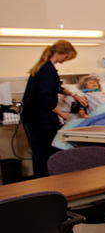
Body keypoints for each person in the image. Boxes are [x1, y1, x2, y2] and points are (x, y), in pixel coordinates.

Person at [21, 40, 87, 177]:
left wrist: (74, 94)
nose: (65, 60)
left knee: (42, 151)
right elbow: (44, 96)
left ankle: (45, 181)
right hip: (39, 117)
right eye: (66, 57)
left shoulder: (45, 67)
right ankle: (45, 183)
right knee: (43, 152)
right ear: (60, 53)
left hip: (36, 116)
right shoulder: (47, 70)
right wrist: (61, 113)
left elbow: (55, 87)